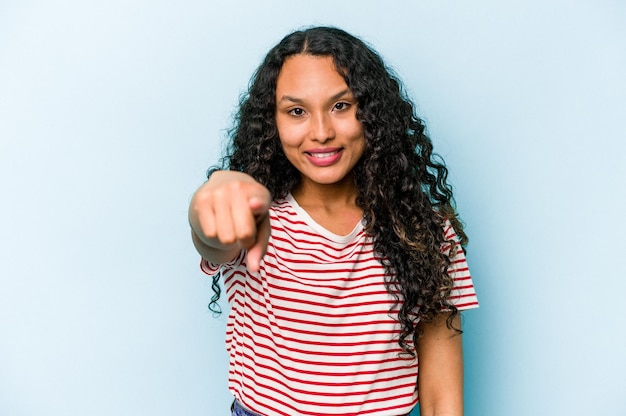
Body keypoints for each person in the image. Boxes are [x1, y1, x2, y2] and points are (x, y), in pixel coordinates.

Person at [188, 26, 478, 416]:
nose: (322, 132)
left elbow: (442, 395)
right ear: (272, 123)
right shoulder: (253, 218)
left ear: (372, 112)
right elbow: (211, 236)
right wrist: (211, 196)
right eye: (296, 111)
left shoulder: (424, 232)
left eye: (341, 105)